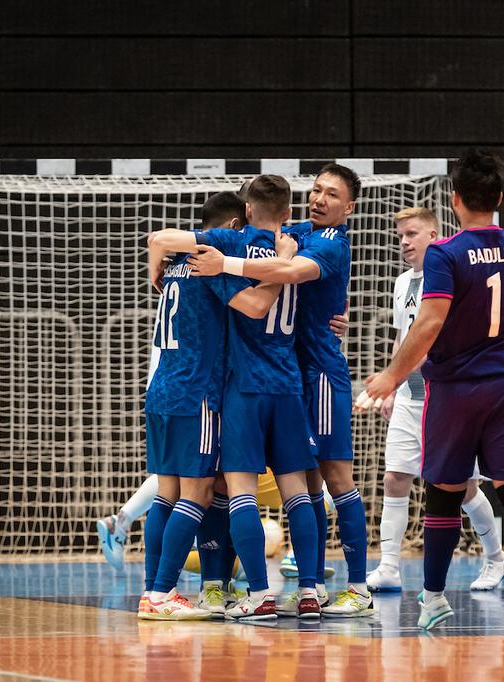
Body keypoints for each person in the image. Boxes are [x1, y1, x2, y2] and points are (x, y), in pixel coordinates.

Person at [357, 149, 504, 630]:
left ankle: (434, 598)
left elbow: (430, 321)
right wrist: (499, 345)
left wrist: (391, 376)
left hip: (454, 388)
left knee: (444, 492)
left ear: (455, 201)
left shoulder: (445, 253)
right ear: (499, 197)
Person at [191, 164, 372, 617]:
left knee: (331, 479)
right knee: (302, 486)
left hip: (314, 376)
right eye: (316, 190)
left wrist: (217, 263)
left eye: (331, 194)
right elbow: (269, 232)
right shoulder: (289, 234)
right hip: (291, 375)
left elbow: (290, 270)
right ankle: (308, 587)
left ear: (349, 208)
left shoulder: (327, 244)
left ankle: (354, 586)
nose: (320, 198)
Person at [159, 174, 322, 620]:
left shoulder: (230, 244)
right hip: (288, 382)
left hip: (241, 387)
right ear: (288, 213)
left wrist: (157, 263)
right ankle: (311, 591)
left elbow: (164, 237)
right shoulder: (302, 245)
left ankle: (259, 594)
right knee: (298, 494)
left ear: (246, 210)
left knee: (237, 492)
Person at [136, 191, 286, 620]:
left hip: (162, 388)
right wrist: (280, 275)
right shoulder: (209, 265)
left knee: (166, 494)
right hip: (197, 391)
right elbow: (256, 307)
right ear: (233, 229)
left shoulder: (176, 263)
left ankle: (152, 592)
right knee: (198, 492)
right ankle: (163, 593)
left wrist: (155, 269)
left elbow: (156, 240)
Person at [365, 207, 504, 593]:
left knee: (464, 488)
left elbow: (438, 335)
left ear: (434, 234)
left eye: (412, 234)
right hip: (411, 399)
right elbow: (404, 339)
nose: (405, 242)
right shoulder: (401, 284)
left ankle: (496, 557)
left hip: (446, 398)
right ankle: (389, 566)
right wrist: (393, 386)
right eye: (400, 237)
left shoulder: (452, 274)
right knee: (395, 478)